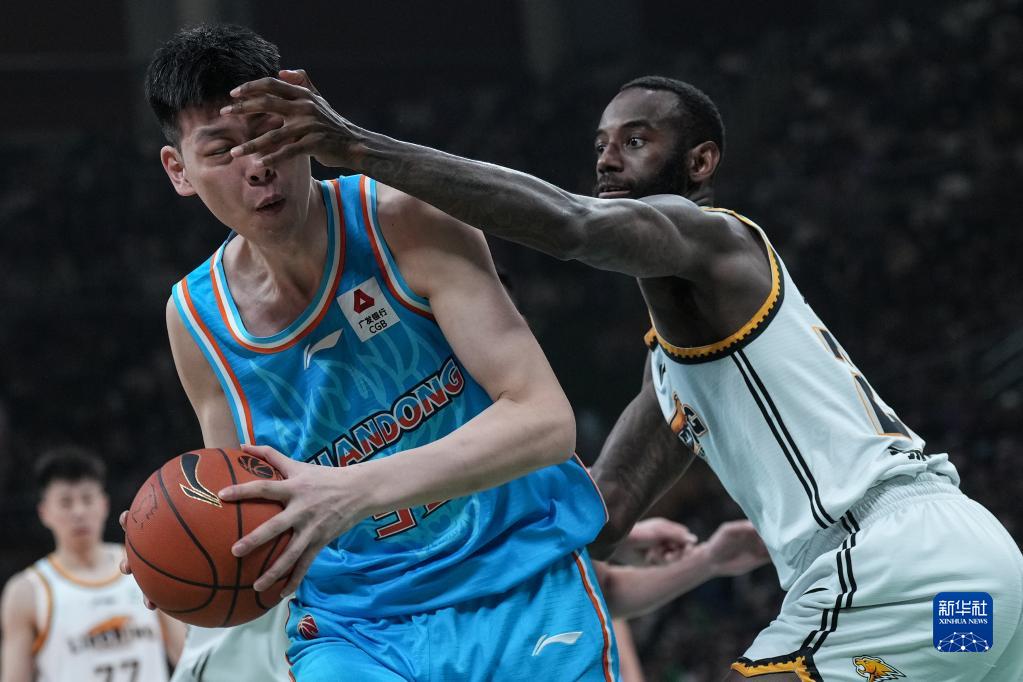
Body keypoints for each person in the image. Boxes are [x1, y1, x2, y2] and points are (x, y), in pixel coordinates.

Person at [221, 70, 1023, 680]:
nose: (607, 154)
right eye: (602, 140)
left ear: (699, 161)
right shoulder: (681, 368)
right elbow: (597, 515)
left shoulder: (714, 238)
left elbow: (572, 224)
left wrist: (357, 150)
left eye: (636, 139)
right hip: (975, 589)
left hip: (889, 558)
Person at [134, 24, 617, 682]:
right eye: (221, 150)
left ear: (303, 120)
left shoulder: (406, 220)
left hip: (518, 581)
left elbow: (544, 421)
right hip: (353, 630)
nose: (257, 166)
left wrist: (351, 491)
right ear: (178, 171)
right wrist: (174, 545)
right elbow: (244, 508)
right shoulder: (196, 320)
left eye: (268, 133)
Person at [0, 446, 184, 682]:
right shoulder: (26, 592)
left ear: (104, 504)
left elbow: (184, 656)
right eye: (66, 502)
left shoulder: (144, 566)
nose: (79, 512)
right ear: (44, 512)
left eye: (87, 499)